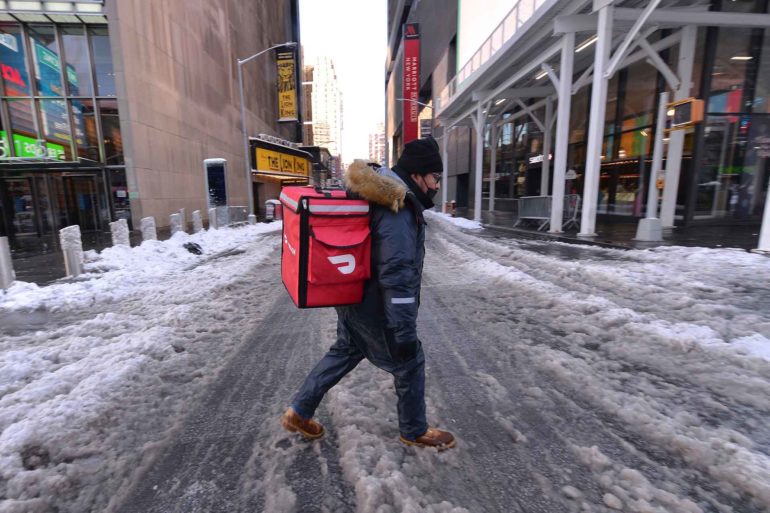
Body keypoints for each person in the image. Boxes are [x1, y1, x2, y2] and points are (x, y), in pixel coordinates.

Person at [281, 137, 456, 451]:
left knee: (345, 350)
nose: (436, 185)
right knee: (410, 360)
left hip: (351, 295)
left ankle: (300, 411)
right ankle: (414, 429)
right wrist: (403, 327)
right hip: (375, 305)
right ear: (418, 175)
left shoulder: (375, 190)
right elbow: (397, 270)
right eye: (435, 178)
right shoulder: (397, 206)